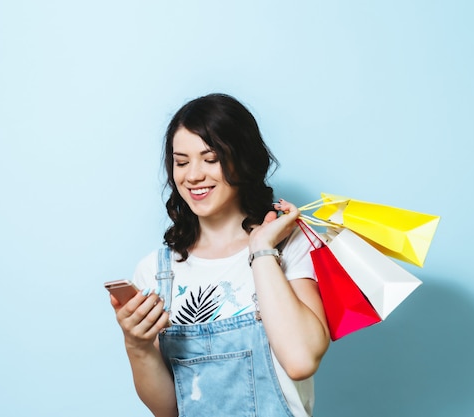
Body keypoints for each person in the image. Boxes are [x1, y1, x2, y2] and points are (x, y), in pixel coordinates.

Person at [110, 93, 330, 417]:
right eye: (181, 162)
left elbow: (301, 361)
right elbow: (169, 410)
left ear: (242, 159)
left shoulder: (288, 248)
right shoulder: (156, 272)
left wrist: (262, 249)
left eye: (210, 159)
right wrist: (137, 346)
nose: (193, 175)